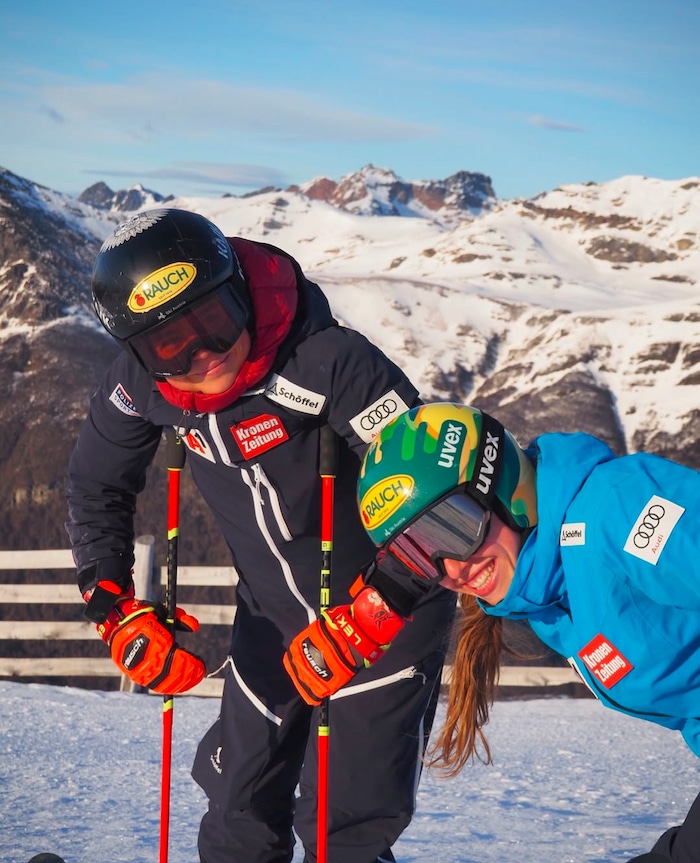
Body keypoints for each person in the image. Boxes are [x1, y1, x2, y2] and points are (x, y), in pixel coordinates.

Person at [65, 208, 455, 863]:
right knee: (237, 814)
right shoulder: (137, 386)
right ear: (137, 351)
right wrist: (112, 607)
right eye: (171, 346)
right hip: (269, 620)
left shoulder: (328, 361)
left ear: (241, 292)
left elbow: (437, 493)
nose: (205, 353)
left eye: (215, 319)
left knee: (342, 828)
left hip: (385, 616)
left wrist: (378, 606)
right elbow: (94, 484)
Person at [346, 401, 699, 863]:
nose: (454, 571)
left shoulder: (618, 508)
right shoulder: (548, 598)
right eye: (422, 555)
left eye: (453, 529)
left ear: (502, 486)